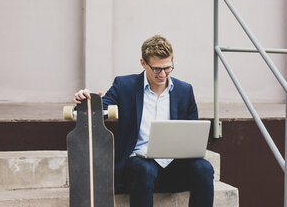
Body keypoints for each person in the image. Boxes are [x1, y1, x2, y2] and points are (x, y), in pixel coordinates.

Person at [74, 35, 214, 207]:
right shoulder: (124, 85)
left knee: (204, 168)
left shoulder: (185, 90)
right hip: (138, 166)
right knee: (144, 169)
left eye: (168, 68)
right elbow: (93, 112)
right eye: (156, 69)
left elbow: (191, 135)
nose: (163, 74)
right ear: (143, 63)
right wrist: (85, 100)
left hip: (174, 165)